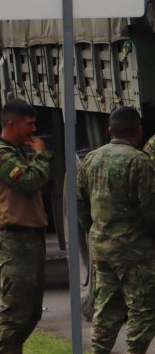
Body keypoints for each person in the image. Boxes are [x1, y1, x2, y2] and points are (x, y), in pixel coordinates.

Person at [76, 106, 155, 353]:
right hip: (134, 251)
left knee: (106, 308)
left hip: (102, 248)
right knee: (142, 309)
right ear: (139, 131)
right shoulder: (140, 162)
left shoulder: (92, 158)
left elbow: (79, 202)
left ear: (109, 130)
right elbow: (150, 209)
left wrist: (94, 230)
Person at [0, 99, 51, 354]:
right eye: (28, 124)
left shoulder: (16, 152)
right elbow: (29, 182)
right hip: (14, 242)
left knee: (31, 312)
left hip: (30, 240)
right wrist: (41, 155)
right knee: (14, 313)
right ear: (10, 124)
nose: (33, 130)